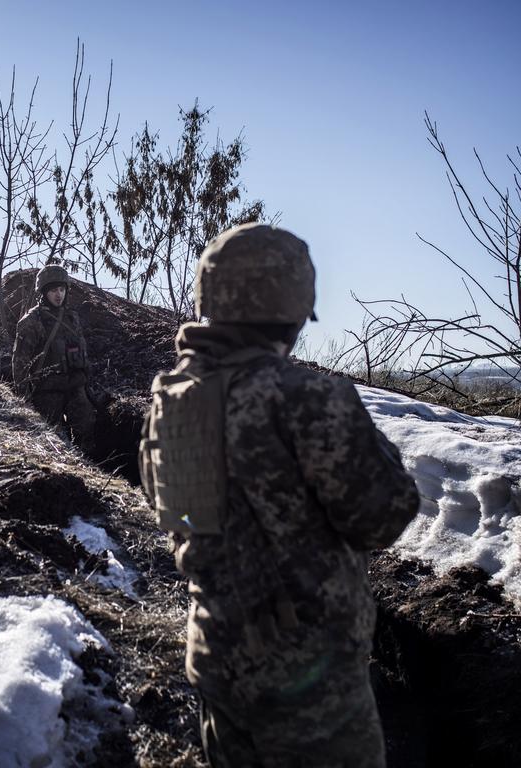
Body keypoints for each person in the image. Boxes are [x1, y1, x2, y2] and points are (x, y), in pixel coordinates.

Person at [140, 223, 419, 767]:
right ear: (291, 307)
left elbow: (181, 518)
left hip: (216, 655)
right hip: (309, 685)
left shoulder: (172, 399)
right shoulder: (305, 395)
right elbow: (383, 515)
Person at [12, 264, 97, 452]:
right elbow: (20, 363)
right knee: (52, 443)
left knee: (87, 432)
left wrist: (88, 384)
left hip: (76, 387)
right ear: (43, 292)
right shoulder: (31, 321)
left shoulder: (72, 318)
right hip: (48, 391)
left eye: (61, 289)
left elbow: (82, 351)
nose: (58, 295)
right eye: (53, 290)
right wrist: (24, 399)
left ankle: (91, 475)